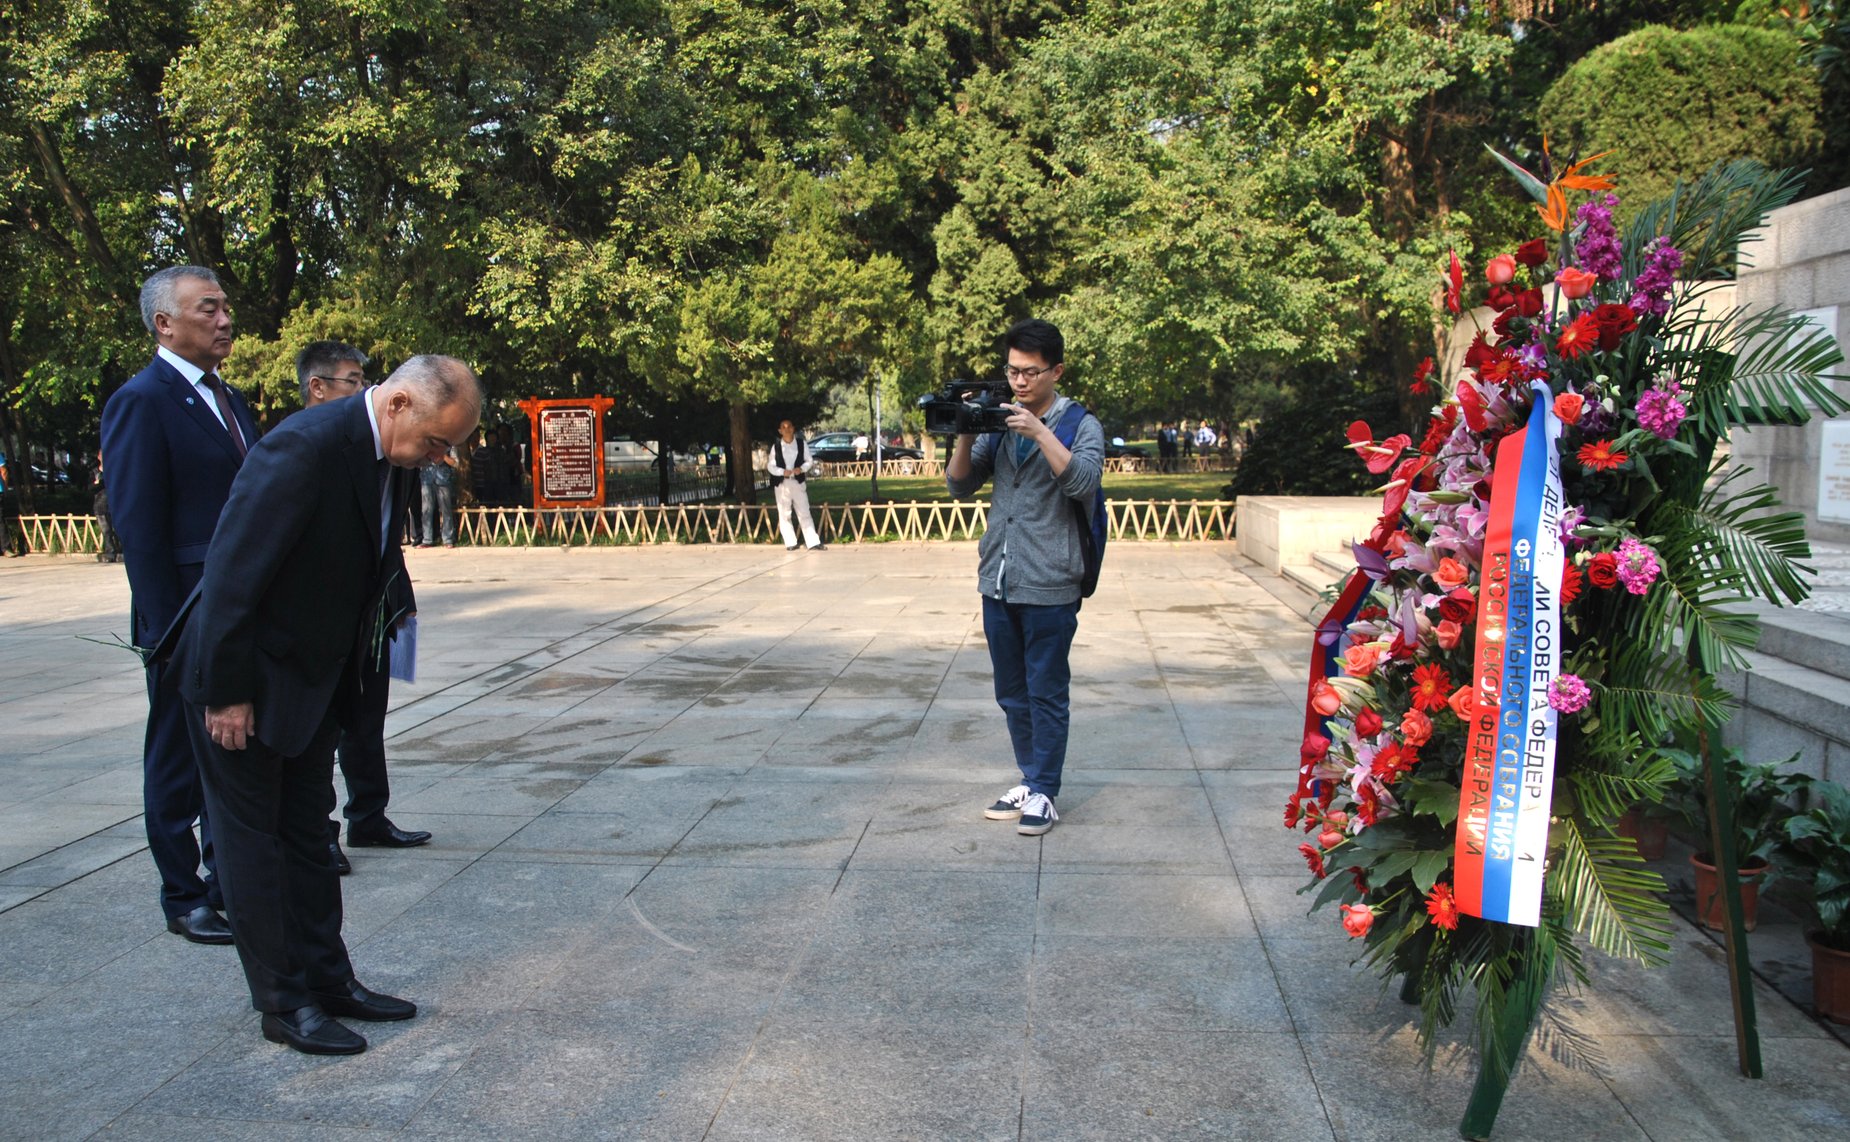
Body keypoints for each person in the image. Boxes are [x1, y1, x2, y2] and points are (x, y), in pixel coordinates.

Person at [161, 354, 481, 1055]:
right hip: (244, 685)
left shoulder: (384, 456)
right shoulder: (302, 448)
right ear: (397, 403)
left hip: (311, 683)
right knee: (252, 847)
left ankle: (330, 980)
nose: (440, 458)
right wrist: (228, 693)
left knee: (310, 836)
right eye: (436, 440)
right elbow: (230, 577)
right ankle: (283, 1004)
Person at [99, 265, 260, 945]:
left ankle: (229, 881)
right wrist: (166, 633)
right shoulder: (144, 400)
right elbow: (139, 527)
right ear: (164, 323)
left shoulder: (230, 399)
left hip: (239, 609)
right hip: (184, 617)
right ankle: (183, 892)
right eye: (207, 310)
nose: (224, 320)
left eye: (225, 307)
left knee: (234, 752)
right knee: (176, 755)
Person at [946, 318, 1104, 836]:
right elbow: (960, 487)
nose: (1018, 382)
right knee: (1011, 691)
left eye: (1030, 373)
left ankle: (1045, 791)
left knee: (1046, 690)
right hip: (999, 577)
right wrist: (966, 432)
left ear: (1056, 371)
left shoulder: (1080, 424)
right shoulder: (999, 420)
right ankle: (1030, 778)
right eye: (1012, 371)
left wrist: (1038, 431)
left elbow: (1082, 482)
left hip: (1051, 580)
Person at [296, 341, 433, 876]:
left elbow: (386, 536)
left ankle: (369, 814)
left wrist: (400, 599)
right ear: (319, 387)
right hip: (321, 611)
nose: (365, 389)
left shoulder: (388, 449)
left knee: (367, 713)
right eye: (354, 379)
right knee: (321, 725)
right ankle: (319, 831)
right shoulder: (303, 448)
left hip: (375, 603)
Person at [768, 418, 825, 551]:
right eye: (784, 427)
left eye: (789, 427)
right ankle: (790, 542)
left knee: (804, 511)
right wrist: (782, 472)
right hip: (782, 484)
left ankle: (812, 541)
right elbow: (770, 466)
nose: (787, 429)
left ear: (793, 428)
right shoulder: (776, 447)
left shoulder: (801, 444)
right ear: (780, 431)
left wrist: (802, 468)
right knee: (784, 513)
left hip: (798, 482)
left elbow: (809, 461)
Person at [420, 445, 460, 547]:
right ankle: (427, 539)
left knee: (446, 510)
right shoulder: (425, 442)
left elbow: (456, 463)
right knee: (426, 510)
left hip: (443, 480)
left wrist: (443, 456)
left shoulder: (450, 445)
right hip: (426, 479)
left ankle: (448, 539)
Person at [93, 450, 121, 563]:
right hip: (100, 505)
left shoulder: (113, 470)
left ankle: (120, 551)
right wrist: (99, 482)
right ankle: (110, 551)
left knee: (118, 529)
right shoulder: (94, 472)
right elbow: (91, 487)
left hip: (115, 504)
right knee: (106, 531)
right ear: (98, 457)